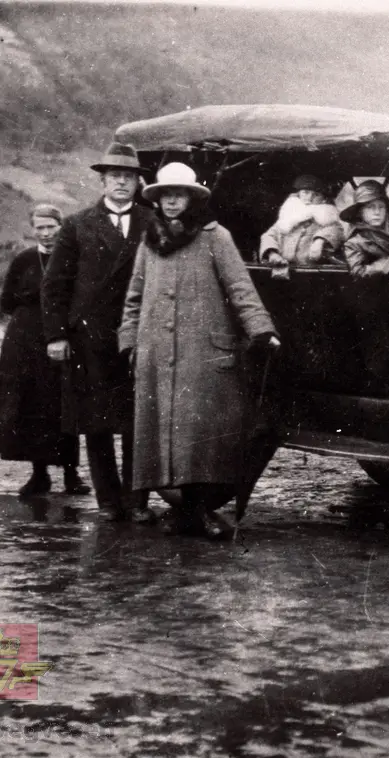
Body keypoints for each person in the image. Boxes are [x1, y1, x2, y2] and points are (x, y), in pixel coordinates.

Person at [118, 163, 280, 538]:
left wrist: (262, 329)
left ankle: (199, 510)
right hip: (156, 352)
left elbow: (240, 287)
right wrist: (129, 342)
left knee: (198, 436)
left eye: (179, 194)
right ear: (157, 199)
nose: (171, 201)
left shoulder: (215, 237)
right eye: (164, 195)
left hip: (202, 353)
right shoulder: (150, 240)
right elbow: (134, 297)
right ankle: (180, 511)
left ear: (192, 197)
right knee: (164, 433)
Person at [42, 141, 157, 523]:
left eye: (129, 176)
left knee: (138, 422)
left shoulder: (152, 222)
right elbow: (55, 284)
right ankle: (109, 502)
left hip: (138, 334)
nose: (122, 183)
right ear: (103, 182)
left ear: (139, 182)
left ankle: (136, 501)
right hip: (89, 338)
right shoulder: (77, 224)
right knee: (97, 423)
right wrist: (56, 336)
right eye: (115, 177)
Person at [0, 204, 91, 497]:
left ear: (61, 227)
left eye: (51, 227)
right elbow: (6, 302)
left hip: (63, 339)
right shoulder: (24, 260)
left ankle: (72, 475)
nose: (46, 234)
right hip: (25, 342)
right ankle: (39, 475)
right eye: (40, 228)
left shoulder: (75, 258)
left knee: (64, 405)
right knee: (32, 405)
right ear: (33, 230)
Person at [258, 174, 345, 270]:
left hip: (313, 271)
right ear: (298, 194)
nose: (310, 198)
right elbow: (269, 236)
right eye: (306, 192)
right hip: (283, 270)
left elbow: (337, 231)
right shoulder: (287, 217)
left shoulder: (328, 219)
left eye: (316, 194)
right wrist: (272, 253)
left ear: (324, 199)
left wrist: (320, 241)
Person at [340, 180, 389, 277]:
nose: (377, 212)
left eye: (381, 207)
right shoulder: (353, 243)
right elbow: (358, 272)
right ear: (360, 212)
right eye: (370, 207)